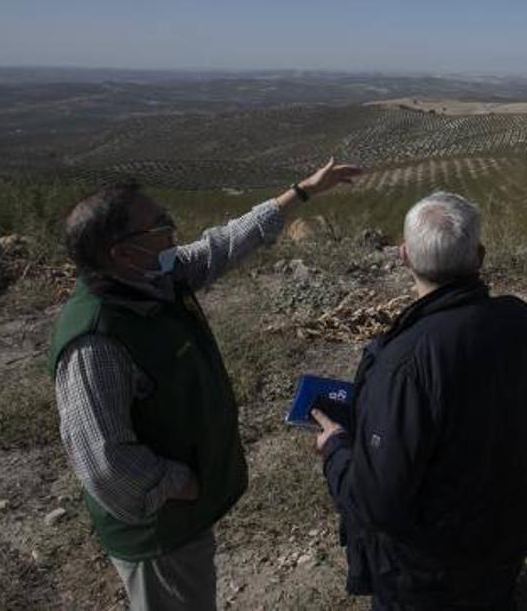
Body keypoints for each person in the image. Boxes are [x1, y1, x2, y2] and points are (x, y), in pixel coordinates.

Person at [49, 158, 361, 611]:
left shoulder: (153, 279)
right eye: (160, 224)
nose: (173, 230)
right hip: (159, 530)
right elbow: (104, 464)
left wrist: (304, 191)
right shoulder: (96, 341)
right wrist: (181, 483)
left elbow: (225, 243)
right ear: (123, 252)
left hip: (180, 518)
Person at [312, 191, 527, 610]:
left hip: (427, 572)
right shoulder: (523, 320)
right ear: (479, 255)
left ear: (403, 256)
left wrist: (335, 446)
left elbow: (375, 503)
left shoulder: (404, 363)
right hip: (505, 537)